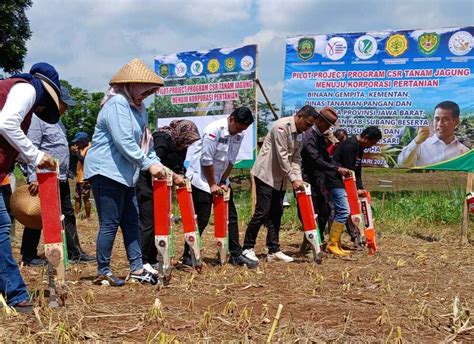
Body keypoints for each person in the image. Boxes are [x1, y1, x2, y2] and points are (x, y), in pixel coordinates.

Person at [84, 58, 179, 287]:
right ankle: (103, 270)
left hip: (126, 174)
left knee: (131, 221)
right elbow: (124, 141)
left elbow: (145, 144)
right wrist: (149, 166)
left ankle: (137, 268)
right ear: (131, 85)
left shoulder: (139, 109)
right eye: (144, 91)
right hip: (106, 171)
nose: (146, 95)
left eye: (150, 92)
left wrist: (163, 168)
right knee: (110, 222)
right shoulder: (117, 103)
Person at [0, 62, 62, 312]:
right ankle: (15, 293)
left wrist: (33, 158)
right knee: (1, 227)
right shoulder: (27, 89)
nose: (42, 109)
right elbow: (5, 124)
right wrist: (36, 156)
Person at [20, 87, 95, 266]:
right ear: (54, 101)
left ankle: (74, 251)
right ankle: (29, 255)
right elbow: (32, 149)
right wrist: (34, 177)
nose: (66, 109)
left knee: (67, 215)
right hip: (43, 177)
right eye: (64, 105)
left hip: (59, 177)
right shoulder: (37, 120)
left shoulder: (58, 122)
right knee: (37, 214)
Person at [242, 105, 319, 263]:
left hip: (281, 178)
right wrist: (293, 178)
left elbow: (296, 158)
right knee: (262, 212)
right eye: (308, 124)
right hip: (266, 174)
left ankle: (274, 250)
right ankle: (247, 248)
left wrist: (297, 178)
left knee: (277, 213)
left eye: (311, 126)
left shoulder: (301, 134)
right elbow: (282, 155)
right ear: (299, 116)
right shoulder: (281, 127)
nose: (309, 128)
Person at [185, 107, 257, 268]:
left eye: (243, 129)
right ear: (231, 119)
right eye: (238, 128)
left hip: (220, 179)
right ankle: (188, 254)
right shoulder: (213, 130)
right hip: (202, 180)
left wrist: (223, 181)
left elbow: (231, 160)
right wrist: (212, 184)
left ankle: (236, 254)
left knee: (231, 217)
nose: (239, 132)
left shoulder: (239, 134)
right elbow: (206, 160)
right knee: (201, 219)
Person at [136, 119, 200, 274]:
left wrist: (181, 175)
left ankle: (153, 258)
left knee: (161, 222)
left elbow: (178, 164)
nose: (186, 145)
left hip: (163, 185)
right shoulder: (161, 139)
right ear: (180, 133)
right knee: (149, 221)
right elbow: (154, 164)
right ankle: (142, 260)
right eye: (186, 140)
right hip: (146, 183)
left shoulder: (179, 143)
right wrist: (173, 175)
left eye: (189, 142)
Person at [325, 126, 382, 256]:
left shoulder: (359, 147)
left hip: (344, 182)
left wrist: (360, 187)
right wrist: (354, 189)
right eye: (372, 143)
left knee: (343, 211)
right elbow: (348, 169)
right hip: (336, 181)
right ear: (366, 138)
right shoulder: (350, 146)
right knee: (344, 211)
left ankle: (336, 244)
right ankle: (332, 244)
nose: (371, 146)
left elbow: (357, 171)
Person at [300, 107, 349, 245]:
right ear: (319, 121)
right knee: (311, 213)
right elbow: (314, 158)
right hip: (307, 178)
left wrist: (336, 169)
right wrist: (336, 168)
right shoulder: (309, 135)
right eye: (327, 124)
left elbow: (326, 157)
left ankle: (317, 240)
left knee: (325, 210)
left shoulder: (321, 136)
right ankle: (310, 245)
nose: (328, 128)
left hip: (319, 179)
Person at [397, 101, 470, 167]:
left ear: (456, 121)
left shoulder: (464, 152)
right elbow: (402, 164)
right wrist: (416, 142)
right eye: (437, 119)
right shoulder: (421, 145)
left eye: (445, 119)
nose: (440, 124)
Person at [70, 132, 92, 219]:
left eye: (78, 142)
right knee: (77, 197)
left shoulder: (90, 148)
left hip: (86, 178)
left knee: (85, 198)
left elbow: (85, 161)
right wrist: (73, 152)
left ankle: (88, 217)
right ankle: (76, 215)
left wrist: (76, 153)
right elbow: (75, 158)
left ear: (84, 141)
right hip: (79, 177)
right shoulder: (81, 148)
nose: (77, 144)